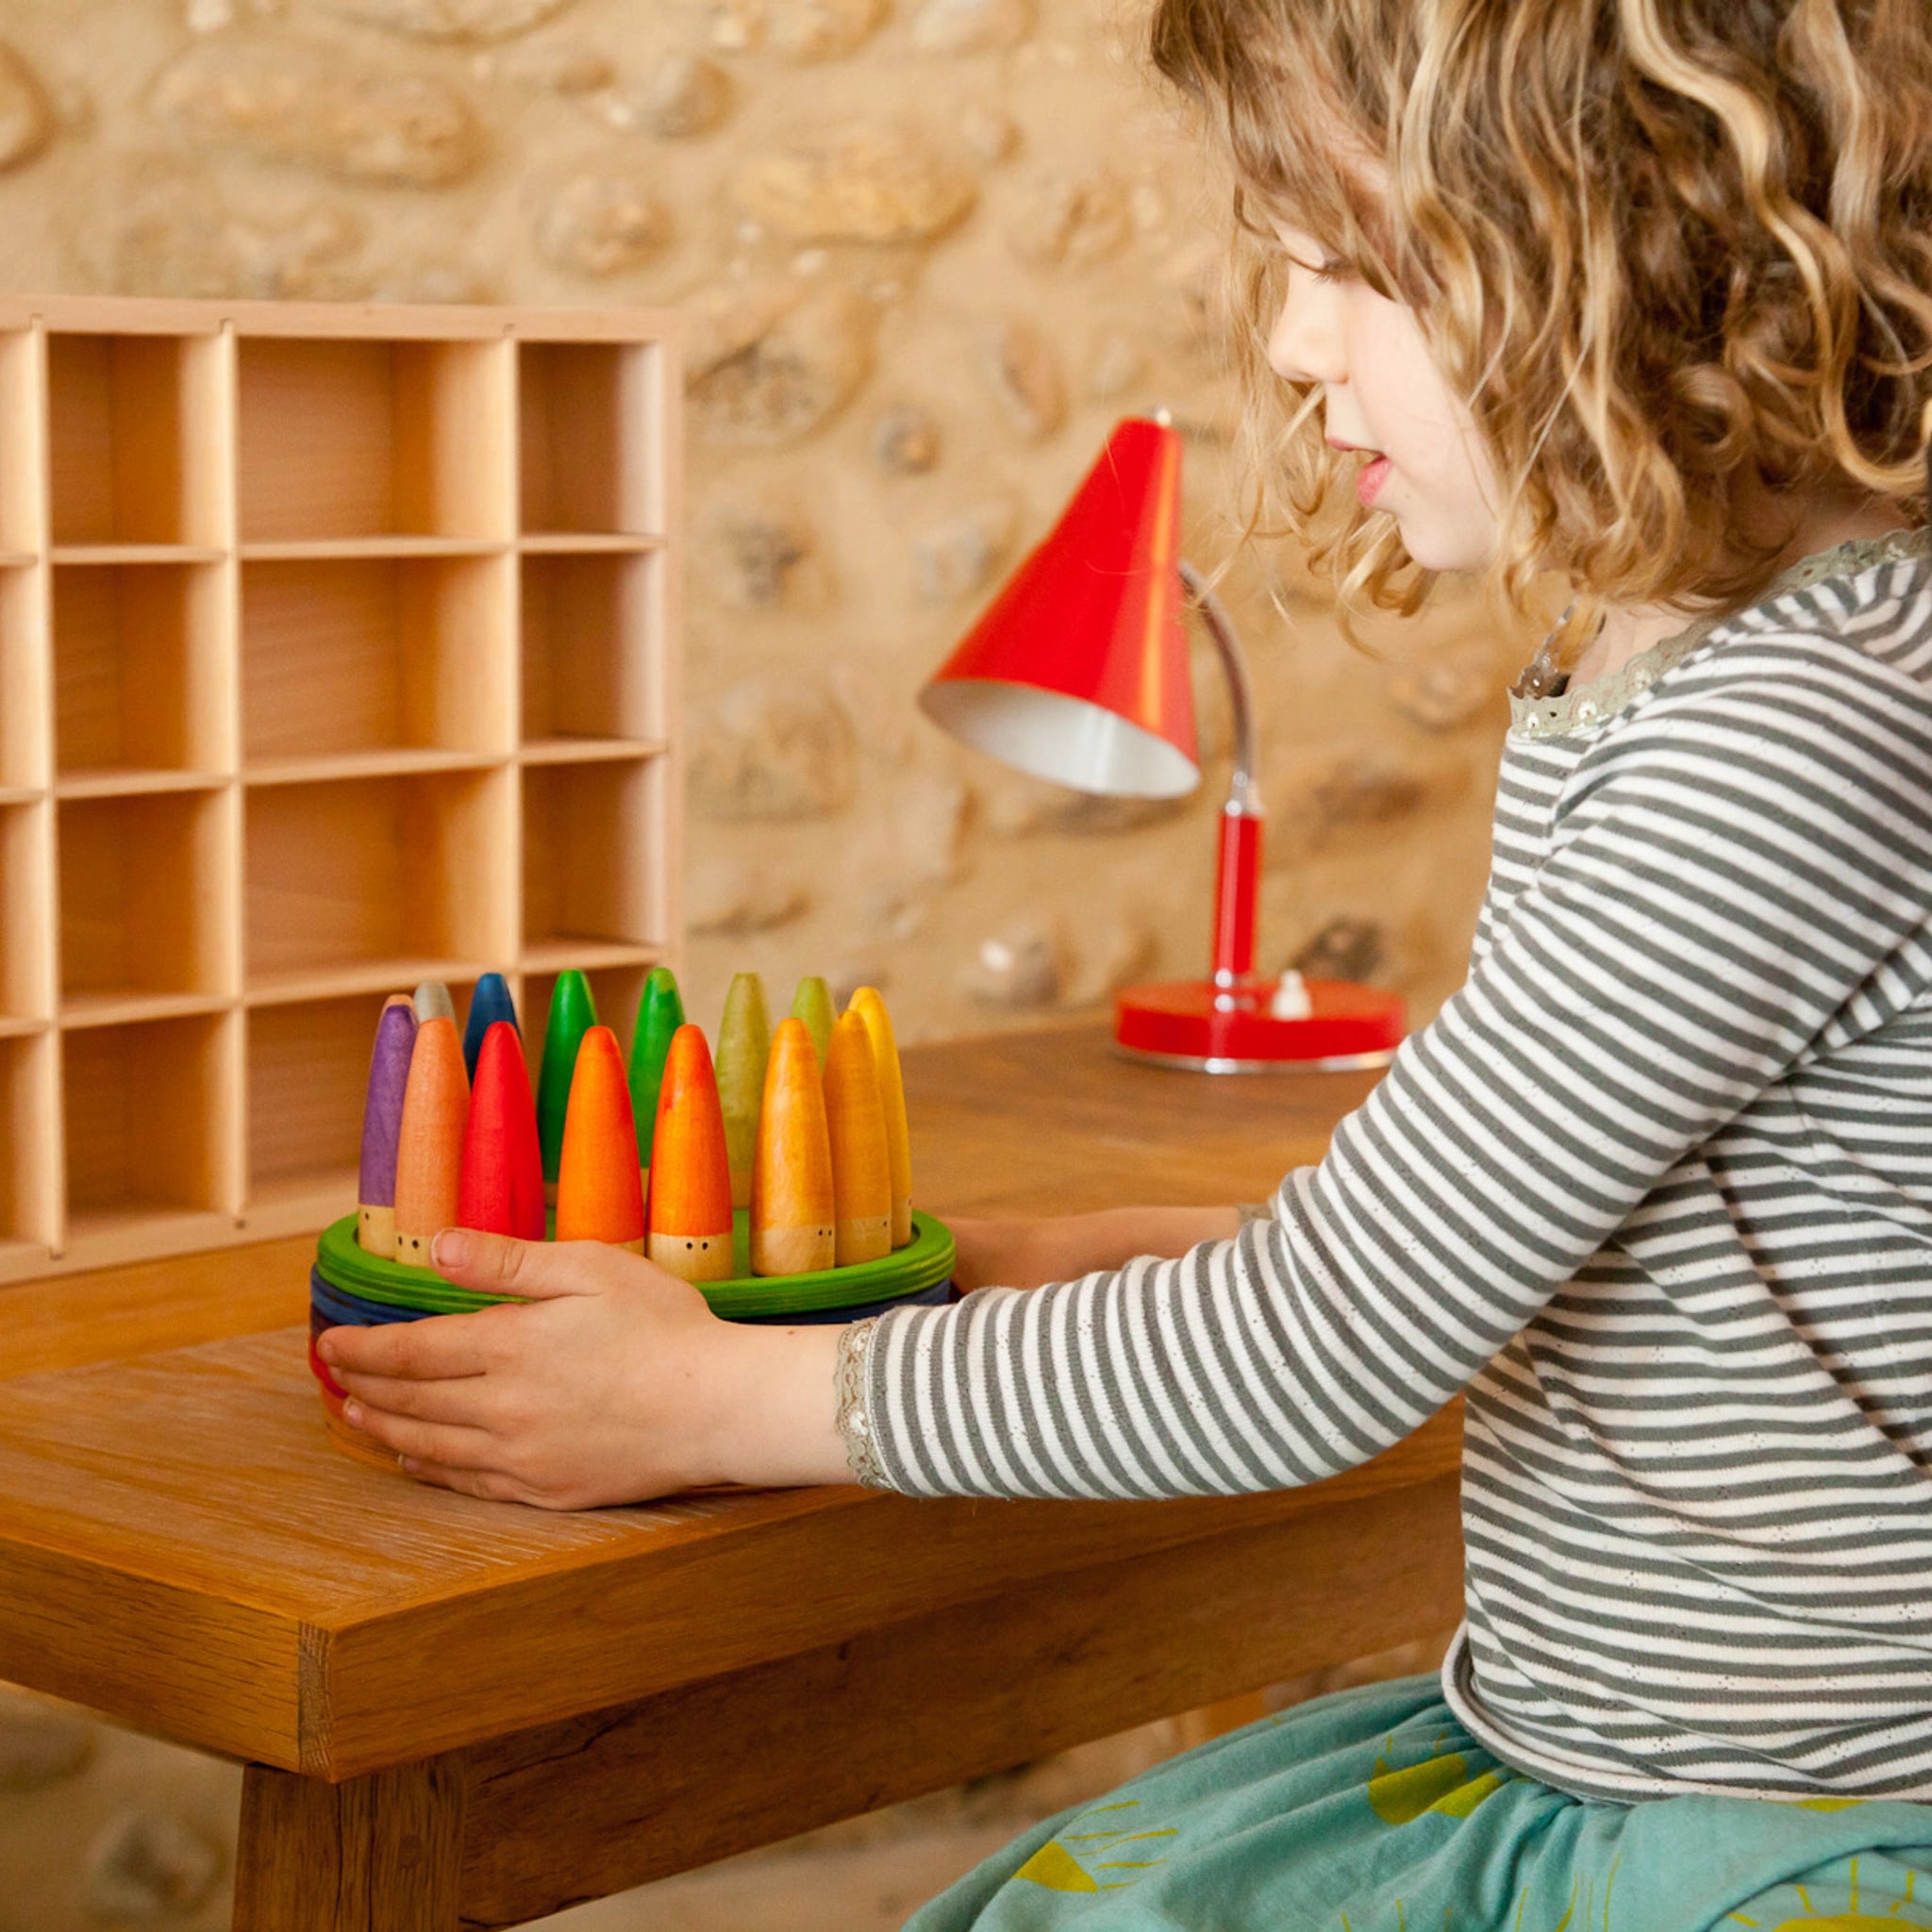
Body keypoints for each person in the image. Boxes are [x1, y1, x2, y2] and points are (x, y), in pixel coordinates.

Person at [320, 0, 1932, 1923]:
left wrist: (712, 1407)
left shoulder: (1790, 738)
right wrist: (1047, 1263)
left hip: (1779, 1831)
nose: (1290, 342)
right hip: (1609, 1751)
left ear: (1633, 243)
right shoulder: (1664, 673)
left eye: (1362, 268)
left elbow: (1323, 1345)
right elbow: (1542, 1253)